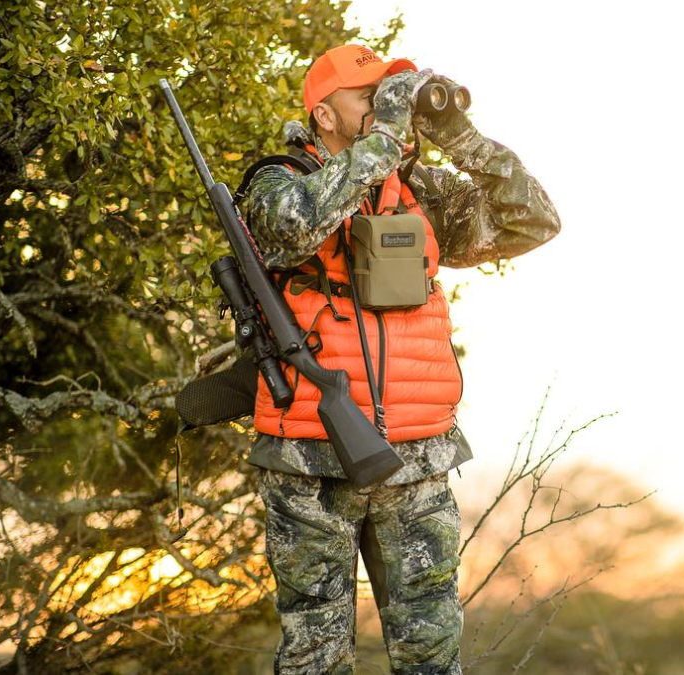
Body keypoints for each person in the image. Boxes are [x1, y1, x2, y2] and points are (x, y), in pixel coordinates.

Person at [239, 43, 561, 674]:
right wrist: (384, 139)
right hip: (310, 462)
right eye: (369, 97)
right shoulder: (278, 181)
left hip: (417, 459)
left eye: (393, 96)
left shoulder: (415, 191)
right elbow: (285, 232)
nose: (386, 108)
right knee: (314, 661)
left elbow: (534, 220)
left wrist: (460, 138)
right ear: (324, 114)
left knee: (431, 661)